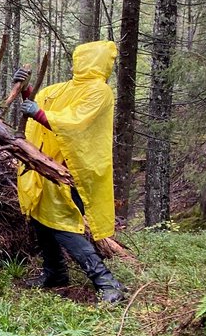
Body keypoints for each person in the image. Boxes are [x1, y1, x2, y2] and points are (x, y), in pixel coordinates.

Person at [15, 40, 126, 305]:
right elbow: (43, 102)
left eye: (85, 58)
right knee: (42, 223)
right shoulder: (64, 88)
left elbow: (75, 123)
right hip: (46, 167)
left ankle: (106, 281)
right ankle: (55, 274)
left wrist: (39, 113)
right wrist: (25, 88)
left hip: (72, 170)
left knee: (65, 226)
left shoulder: (100, 92)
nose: (79, 62)